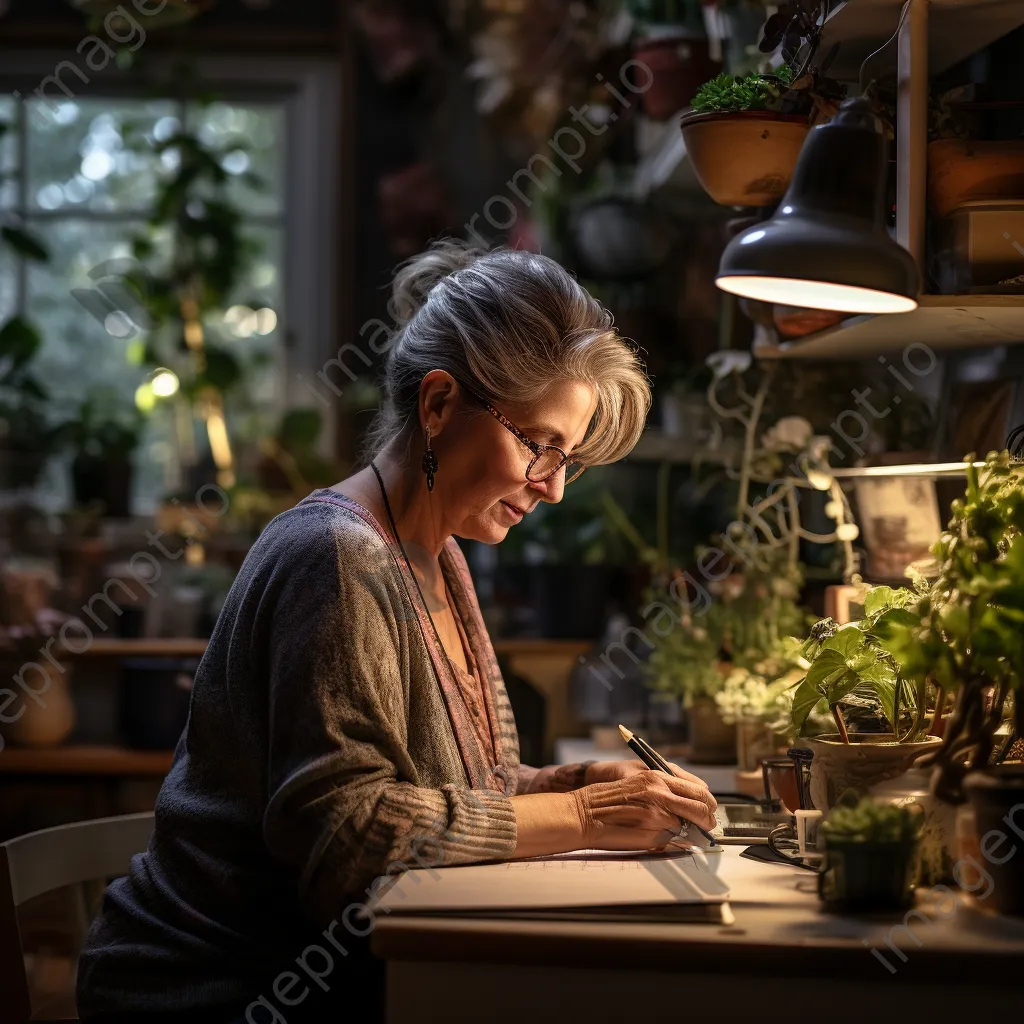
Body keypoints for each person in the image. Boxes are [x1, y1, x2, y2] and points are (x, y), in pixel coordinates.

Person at [77, 241, 717, 1023]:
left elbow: (428, 793)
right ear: (440, 404)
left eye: (568, 459)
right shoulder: (338, 556)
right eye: (539, 444)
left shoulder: (437, 552)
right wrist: (580, 824)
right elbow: (345, 839)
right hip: (217, 993)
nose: (550, 486)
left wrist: (567, 788)